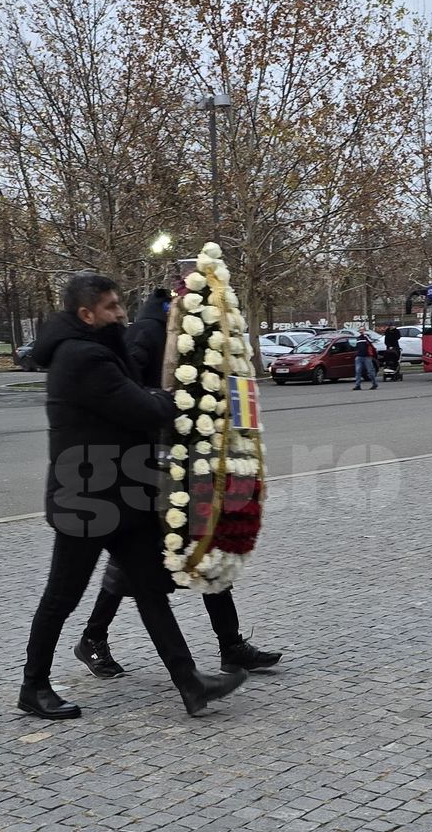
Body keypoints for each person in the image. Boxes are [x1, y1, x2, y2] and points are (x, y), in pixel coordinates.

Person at [18, 272, 246, 720]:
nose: (122, 312)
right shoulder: (84, 358)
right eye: (111, 307)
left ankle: (190, 683)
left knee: (149, 591)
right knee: (61, 598)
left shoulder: (97, 349)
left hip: (117, 497)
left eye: (120, 304)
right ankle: (33, 687)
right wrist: (182, 396)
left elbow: (136, 399)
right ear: (86, 314)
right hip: (88, 501)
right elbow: (143, 408)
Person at [74, 285, 282, 680]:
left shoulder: (206, 336)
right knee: (134, 561)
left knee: (209, 547)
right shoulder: (149, 334)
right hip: (155, 467)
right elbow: (125, 393)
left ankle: (231, 645)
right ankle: (93, 637)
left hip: (196, 460)